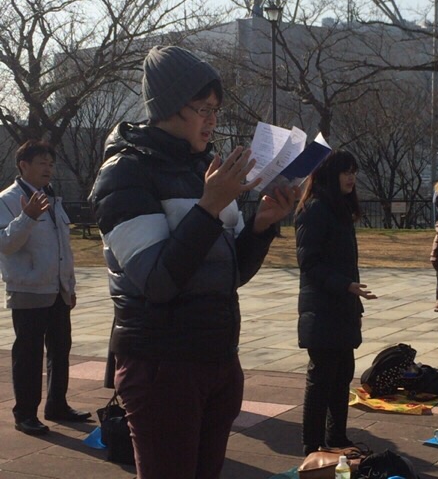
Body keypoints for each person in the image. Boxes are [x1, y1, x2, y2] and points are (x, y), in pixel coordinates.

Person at [89, 45, 297, 479]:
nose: (212, 120)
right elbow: (157, 281)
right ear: (167, 107)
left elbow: (227, 274)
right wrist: (209, 207)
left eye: (215, 110)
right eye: (202, 109)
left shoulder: (203, 168)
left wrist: (261, 225)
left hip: (217, 358)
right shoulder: (124, 173)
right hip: (161, 365)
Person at [0, 140, 91, 436]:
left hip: (57, 289)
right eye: (42, 163)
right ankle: (25, 414)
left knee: (60, 349)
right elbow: (5, 244)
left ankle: (57, 405)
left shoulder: (52, 199)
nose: (48, 169)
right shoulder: (7, 200)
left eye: (51, 164)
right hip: (28, 289)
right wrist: (27, 217)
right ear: (23, 165)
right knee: (28, 354)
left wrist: (69, 285)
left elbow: (63, 247)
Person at [294, 150, 377, 456]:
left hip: (343, 307)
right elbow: (309, 263)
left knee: (342, 375)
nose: (351, 178)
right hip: (322, 309)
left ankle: (337, 438)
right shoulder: (315, 208)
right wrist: (345, 286)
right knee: (321, 379)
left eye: (354, 171)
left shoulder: (338, 208)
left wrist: (353, 298)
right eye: (345, 172)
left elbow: (343, 264)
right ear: (330, 175)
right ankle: (312, 445)